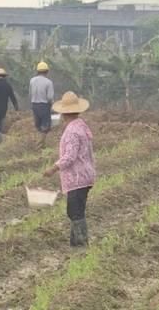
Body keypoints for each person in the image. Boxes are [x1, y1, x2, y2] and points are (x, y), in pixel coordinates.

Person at [43, 91, 95, 247]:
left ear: (63, 113)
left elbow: (70, 156)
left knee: (74, 212)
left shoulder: (72, 131)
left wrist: (53, 168)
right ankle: (76, 243)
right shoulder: (81, 125)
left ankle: (82, 244)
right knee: (77, 210)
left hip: (77, 177)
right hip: (85, 176)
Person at [0, 68, 19, 144]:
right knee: (1, 124)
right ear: (4, 76)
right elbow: (12, 97)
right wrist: (16, 107)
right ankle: (1, 142)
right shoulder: (8, 85)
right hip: (4, 108)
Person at [30, 62, 54, 148]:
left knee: (38, 125)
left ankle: (41, 144)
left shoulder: (32, 80)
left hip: (34, 105)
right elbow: (50, 97)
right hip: (44, 106)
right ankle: (39, 144)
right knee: (45, 126)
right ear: (47, 71)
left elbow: (30, 93)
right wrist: (52, 106)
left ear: (37, 71)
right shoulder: (48, 82)